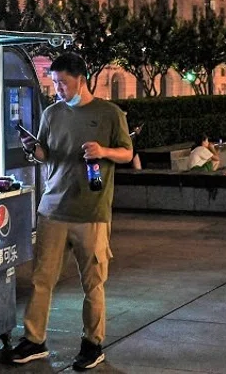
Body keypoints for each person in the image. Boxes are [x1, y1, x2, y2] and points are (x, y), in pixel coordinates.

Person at [9, 53, 133, 371]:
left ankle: (92, 344)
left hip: (91, 212)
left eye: (62, 82)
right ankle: (34, 340)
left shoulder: (109, 113)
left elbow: (127, 153)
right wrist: (33, 149)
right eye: (54, 82)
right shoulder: (51, 113)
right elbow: (47, 155)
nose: (58, 88)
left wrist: (103, 151)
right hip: (52, 208)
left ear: (81, 78)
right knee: (41, 280)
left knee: (92, 282)